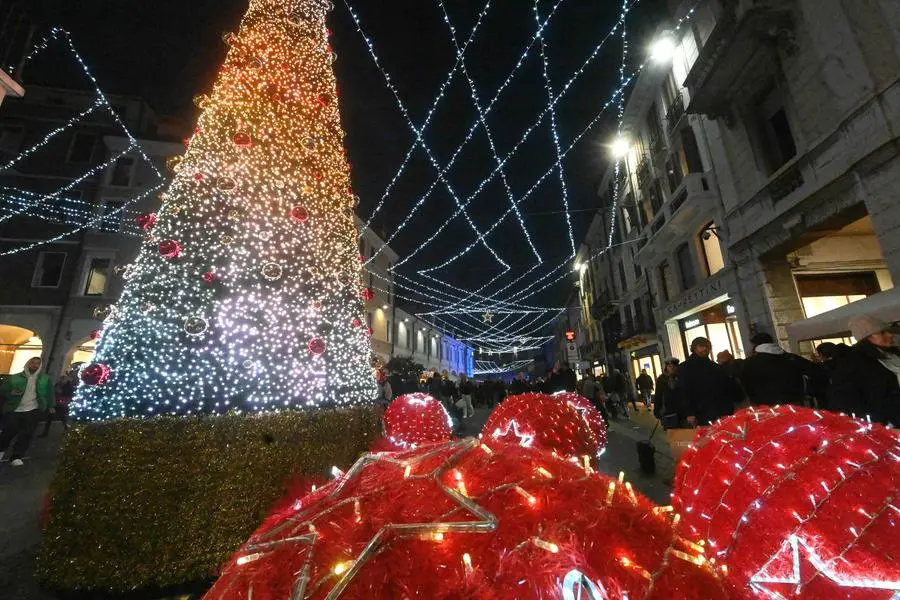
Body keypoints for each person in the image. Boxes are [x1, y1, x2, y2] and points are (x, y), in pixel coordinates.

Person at [828, 316, 900, 426]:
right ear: (866, 337)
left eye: (888, 331)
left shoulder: (893, 355)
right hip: (887, 423)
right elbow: (846, 397)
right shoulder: (853, 361)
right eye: (882, 332)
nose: (889, 335)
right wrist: (876, 422)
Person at [0, 356, 54, 466]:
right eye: (32, 362)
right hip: (15, 408)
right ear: (27, 363)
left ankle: (16, 456)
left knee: (27, 433)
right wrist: (11, 392)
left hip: (33, 409)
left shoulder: (45, 379)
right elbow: (3, 390)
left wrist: (51, 405)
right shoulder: (15, 377)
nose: (35, 365)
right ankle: (0, 450)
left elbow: (49, 393)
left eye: (37, 363)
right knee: (8, 432)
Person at [676, 337, 740, 426]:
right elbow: (684, 391)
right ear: (694, 348)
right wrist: (689, 412)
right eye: (701, 346)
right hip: (699, 412)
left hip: (718, 411)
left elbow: (724, 388)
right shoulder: (685, 367)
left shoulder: (715, 367)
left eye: (707, 346)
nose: (705, 349)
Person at [740, 332, 816, 407]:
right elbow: (813, 371)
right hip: (793, 400)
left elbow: (745, 382)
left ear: (755, 345)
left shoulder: (750, 362)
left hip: (765, 404)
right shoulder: (791, 358)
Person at [654, 358, 680, 426]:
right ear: (666, 367)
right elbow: (658, 395)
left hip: (680, 411)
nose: (672, 368)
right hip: (668, 412)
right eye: (669, 366)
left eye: (674, 366)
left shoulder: (680, 377)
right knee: (672, 433)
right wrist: (657, 411)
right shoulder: (661, 379)